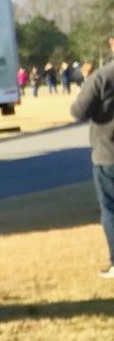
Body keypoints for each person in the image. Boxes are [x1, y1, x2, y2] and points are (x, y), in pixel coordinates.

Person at [70, 35, 114, 278]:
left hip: (108, 153)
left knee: (111, 210)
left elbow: (78, 111)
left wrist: (87, 81)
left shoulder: (102, 77)